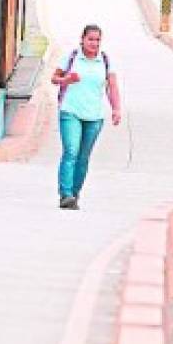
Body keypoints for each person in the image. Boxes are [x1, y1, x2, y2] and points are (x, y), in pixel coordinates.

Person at [51, 25, 122, 209]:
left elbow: (111, 86)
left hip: (94, 116)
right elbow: (54, 78)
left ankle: (74, 193)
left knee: (83, 157)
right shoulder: (72, 57)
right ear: (82, 39)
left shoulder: (105, 60)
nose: (94, 43)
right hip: (70, 111)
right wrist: (66, 80)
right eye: (90, 39)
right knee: (71, 152)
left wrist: (116, 109)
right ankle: (65, 194)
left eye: (97, 40)